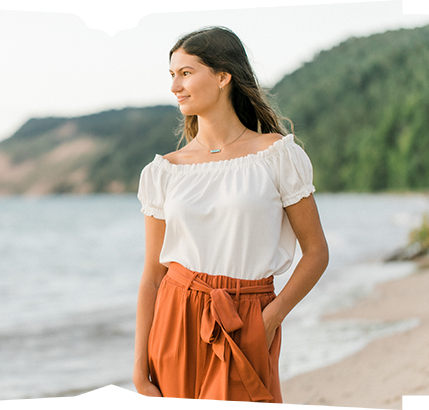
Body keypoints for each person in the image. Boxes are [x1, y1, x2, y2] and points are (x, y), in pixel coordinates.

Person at [131, 26, 329, 402]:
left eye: (186, 73)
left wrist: (270, 319)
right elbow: (153, 275)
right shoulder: (164, 171)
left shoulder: (277, 155)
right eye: (172, 75)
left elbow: (317, 252)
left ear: (223, 77)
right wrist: (140, 368)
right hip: (175, 319)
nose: (175, 86)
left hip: (247, 318)